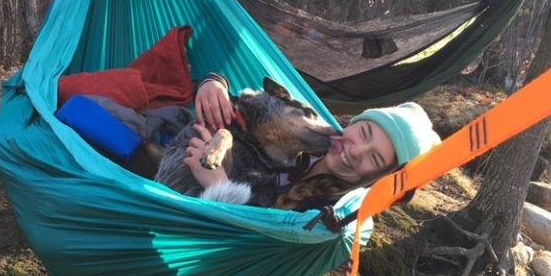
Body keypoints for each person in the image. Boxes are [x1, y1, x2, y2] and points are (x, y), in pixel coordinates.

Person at [184, 74, 440, 210]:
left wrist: (219, 185)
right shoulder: (316, 136)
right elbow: (263, 110)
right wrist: (214, 82)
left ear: (377, 177)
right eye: (364, 133)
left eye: (374, 158)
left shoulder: (330, 210)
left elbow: (255, 243)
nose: (356, 150)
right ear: (353, 123)